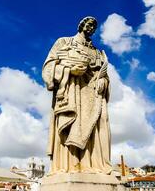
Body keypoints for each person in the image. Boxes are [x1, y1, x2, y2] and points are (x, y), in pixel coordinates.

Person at [42, 16, 112, 174]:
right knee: (72, 124)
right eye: (88, 24)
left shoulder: (97, 52)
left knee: (98, 124)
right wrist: (68, 71)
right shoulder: (64, 42)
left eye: (94, 26)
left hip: (94, 94)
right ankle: (70, 166)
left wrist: (104, 82)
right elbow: (49, 65)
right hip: (72, 89)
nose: (91, 28)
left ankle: (94, 165)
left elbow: (104, 74)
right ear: (81, 25)